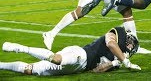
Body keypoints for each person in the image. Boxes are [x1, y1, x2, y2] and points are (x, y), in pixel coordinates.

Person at [0, 26, 141, 75]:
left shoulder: (118, 58)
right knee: (56, 59)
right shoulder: (119, 33)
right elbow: (110, 43)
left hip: (78, 68)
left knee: (31, 70)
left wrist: (115, 63)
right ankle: (20, 48)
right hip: (81, 54)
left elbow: (96, 70)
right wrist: (125, 60)